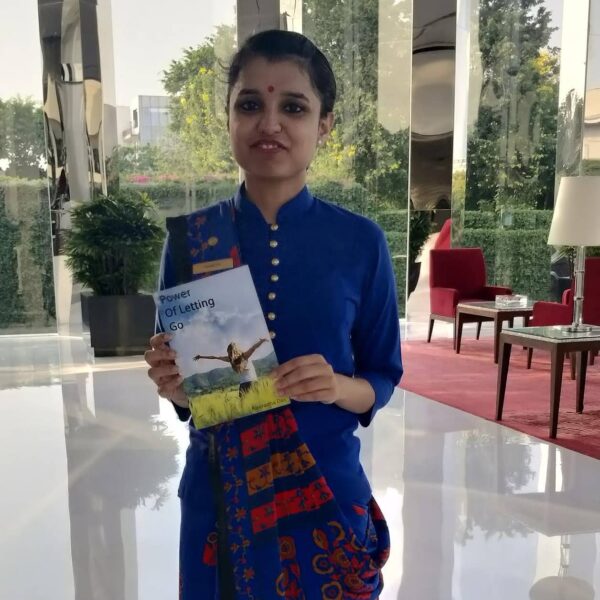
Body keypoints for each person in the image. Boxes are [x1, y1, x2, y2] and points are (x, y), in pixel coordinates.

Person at [145, 29, 403, 599]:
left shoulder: (360, 242)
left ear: (324, 124)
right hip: (221, 500)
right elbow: (186, 392)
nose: (270, 123)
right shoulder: (192, 242)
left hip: (327, 493)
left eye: (293, 107)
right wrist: (176, 387)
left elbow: (382, 378)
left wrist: (336, 385)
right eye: (249, 105)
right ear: (228, 118)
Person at [192, 338, 268, 396]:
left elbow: (215, 357)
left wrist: (261, 341)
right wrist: (201, 356)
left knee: (244, 404)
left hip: (248, 382)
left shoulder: (242, 356)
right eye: (231, 353)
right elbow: (214, 357)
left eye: (231, 353)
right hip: (250, 381)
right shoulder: (238, 357)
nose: (232, 355)